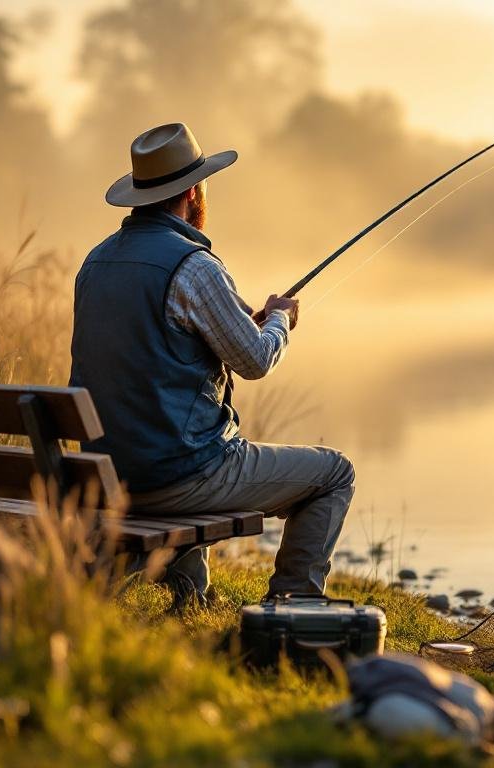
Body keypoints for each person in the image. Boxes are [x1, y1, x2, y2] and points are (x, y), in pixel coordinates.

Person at [69, 122, 354, 606]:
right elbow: (256, 360)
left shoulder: (95, 263)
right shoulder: (194, 265)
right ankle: (294, 606)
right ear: (192, 193)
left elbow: (151, 347)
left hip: (108, 477)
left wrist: (238, 322)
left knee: (181, 436)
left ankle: (189, 594)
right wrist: (279, 320)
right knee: (334, 474)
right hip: (176, 479)